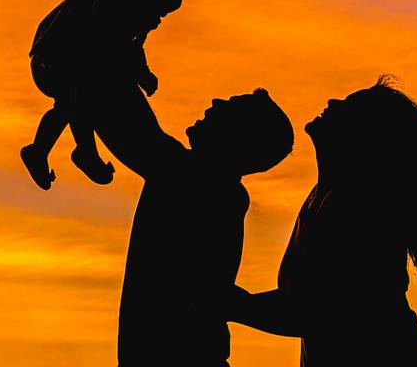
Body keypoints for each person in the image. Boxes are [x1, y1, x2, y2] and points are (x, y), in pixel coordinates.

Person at [227, 76, 417, 366]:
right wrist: (236, 304)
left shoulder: (358, 204)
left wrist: (229, 305)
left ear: (363, 134)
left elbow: (320, 312)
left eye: (347, 107)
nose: (332, 103)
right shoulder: (328, 194)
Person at [87, 88, 294, 367]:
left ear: (237, 138)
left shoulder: (195, 177)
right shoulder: (215, 186)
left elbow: (127, 124)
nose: (216, 99)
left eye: (231, 107)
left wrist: (103, 70)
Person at [20, 0, 197, 189]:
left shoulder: (138, 6)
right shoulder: (122, 1)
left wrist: (142, 73)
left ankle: (40, 151)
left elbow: (134, 47)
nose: (176, 4)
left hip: (69, 64)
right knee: (81, 97)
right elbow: (111, 38)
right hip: (55, 61)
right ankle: (84, 152)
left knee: (68, 105)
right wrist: (132, 71)